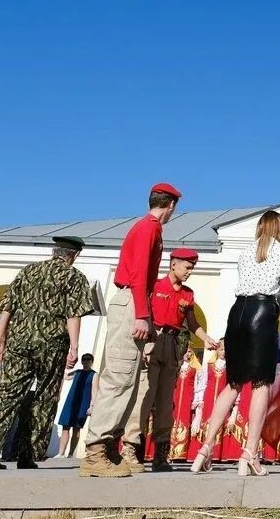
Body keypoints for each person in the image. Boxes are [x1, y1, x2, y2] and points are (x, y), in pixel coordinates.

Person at [192, 209, 280, 477]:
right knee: (261, 384)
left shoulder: (245, 253)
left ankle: (205, 448)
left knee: (233, 382)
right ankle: (250, 453)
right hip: (263, 314)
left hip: (237, 313)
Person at [0, 236, 94, 470]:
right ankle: (27, 453)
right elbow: (73, 313)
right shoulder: (73, 276)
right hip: (51, 344)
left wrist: (0, 337)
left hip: (19, 341)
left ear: (54, 251)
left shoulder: (28, 271)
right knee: (44, 396)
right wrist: (74, 346)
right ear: (74, 255)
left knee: (6, 391)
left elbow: (8, 307)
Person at [82, 183, 181, 477]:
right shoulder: (149, 228)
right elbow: (139, 273)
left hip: (137, 302)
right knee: (120, 378)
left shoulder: (149, 228)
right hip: (132, 301)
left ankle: (110, 449)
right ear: (172, 205)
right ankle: (95, 452)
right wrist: (141, 314)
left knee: (132, 382)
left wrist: (146, 314)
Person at [133, 248, 217, 472]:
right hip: (152, 339)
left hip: (171, 344)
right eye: (187, 267)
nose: (190, 272)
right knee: (144, 396)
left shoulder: (188, 294)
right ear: (173, 265)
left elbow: (192, 324)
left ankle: (161, 454)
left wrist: (206, 338)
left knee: (165, 402)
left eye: (192, 268)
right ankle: (133, 450)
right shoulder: (156, 286)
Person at [57, 354, 98, 458]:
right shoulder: (77, 372)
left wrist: (92, 406)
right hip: (71, 402)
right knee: (65, 427)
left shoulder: (94, 375)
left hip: (83, 404)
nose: (86, 361)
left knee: (76, 428)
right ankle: (61, 453)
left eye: (88, 359)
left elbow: (94, 391)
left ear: (91, 361)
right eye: (84, 359)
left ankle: (71, 453)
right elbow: (66, 376)